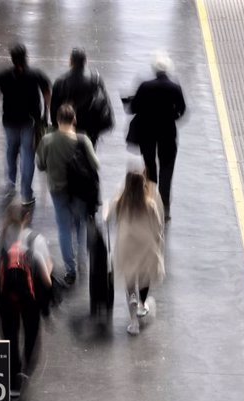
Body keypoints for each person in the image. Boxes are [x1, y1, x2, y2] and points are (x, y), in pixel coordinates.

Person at [0, 201, 53, 401]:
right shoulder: (35, 240)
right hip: (30, 299)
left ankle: (12, 379)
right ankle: (25, 372)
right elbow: (46, 277)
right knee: (31, 335)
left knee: (9, 336)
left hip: (3, 297)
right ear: (26, 217)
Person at [37, 104, 99, 285]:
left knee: (64, 228)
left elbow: (40, 165)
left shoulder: (47, 140)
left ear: (57, 120)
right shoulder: (82, 139)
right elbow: (96, 164)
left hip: (58, 190)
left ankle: (70, 270)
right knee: (80, 224)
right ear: (74, 120)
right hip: (80, 191)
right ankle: (82, 261)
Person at [0, 43, 51, 206]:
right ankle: (26, 193)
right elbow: (47, 92)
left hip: (9, 121)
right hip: (30, 121)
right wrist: (47, 113)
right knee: (28, 155)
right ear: (25, 57)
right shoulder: (36, 75)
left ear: (12, 59)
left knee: (11, 151)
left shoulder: (4, 75)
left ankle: (10, 185)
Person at [127, 53, 186, 221]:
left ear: (154, 69)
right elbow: (182, 109)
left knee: (150, 166)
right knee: (167, 168)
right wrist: (172, 116)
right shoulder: (175, 87)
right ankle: (164, 205)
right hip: (167, 133)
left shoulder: (145, 86)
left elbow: (133, 107)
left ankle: (151, 200)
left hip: (147, 133)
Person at [106, 170, 165, 335]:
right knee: (144, 278)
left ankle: (134, 323)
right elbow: (158, 228)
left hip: (127, 248)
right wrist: (158, 243)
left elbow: (107, 216)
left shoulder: (121, 202)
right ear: (142, 185)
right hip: (145, 248)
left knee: (130, 281)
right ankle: (141, 304)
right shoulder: (150, 204)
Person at [50, 48, 113, 149]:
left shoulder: (61, 81)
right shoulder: (95, 79)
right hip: (91, 127)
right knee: (89, 156)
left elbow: (54, 107)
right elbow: (104, 102)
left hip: (68, 126)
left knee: (69, 158)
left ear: (71, 61)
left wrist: (56, 126)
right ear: (85, 61)